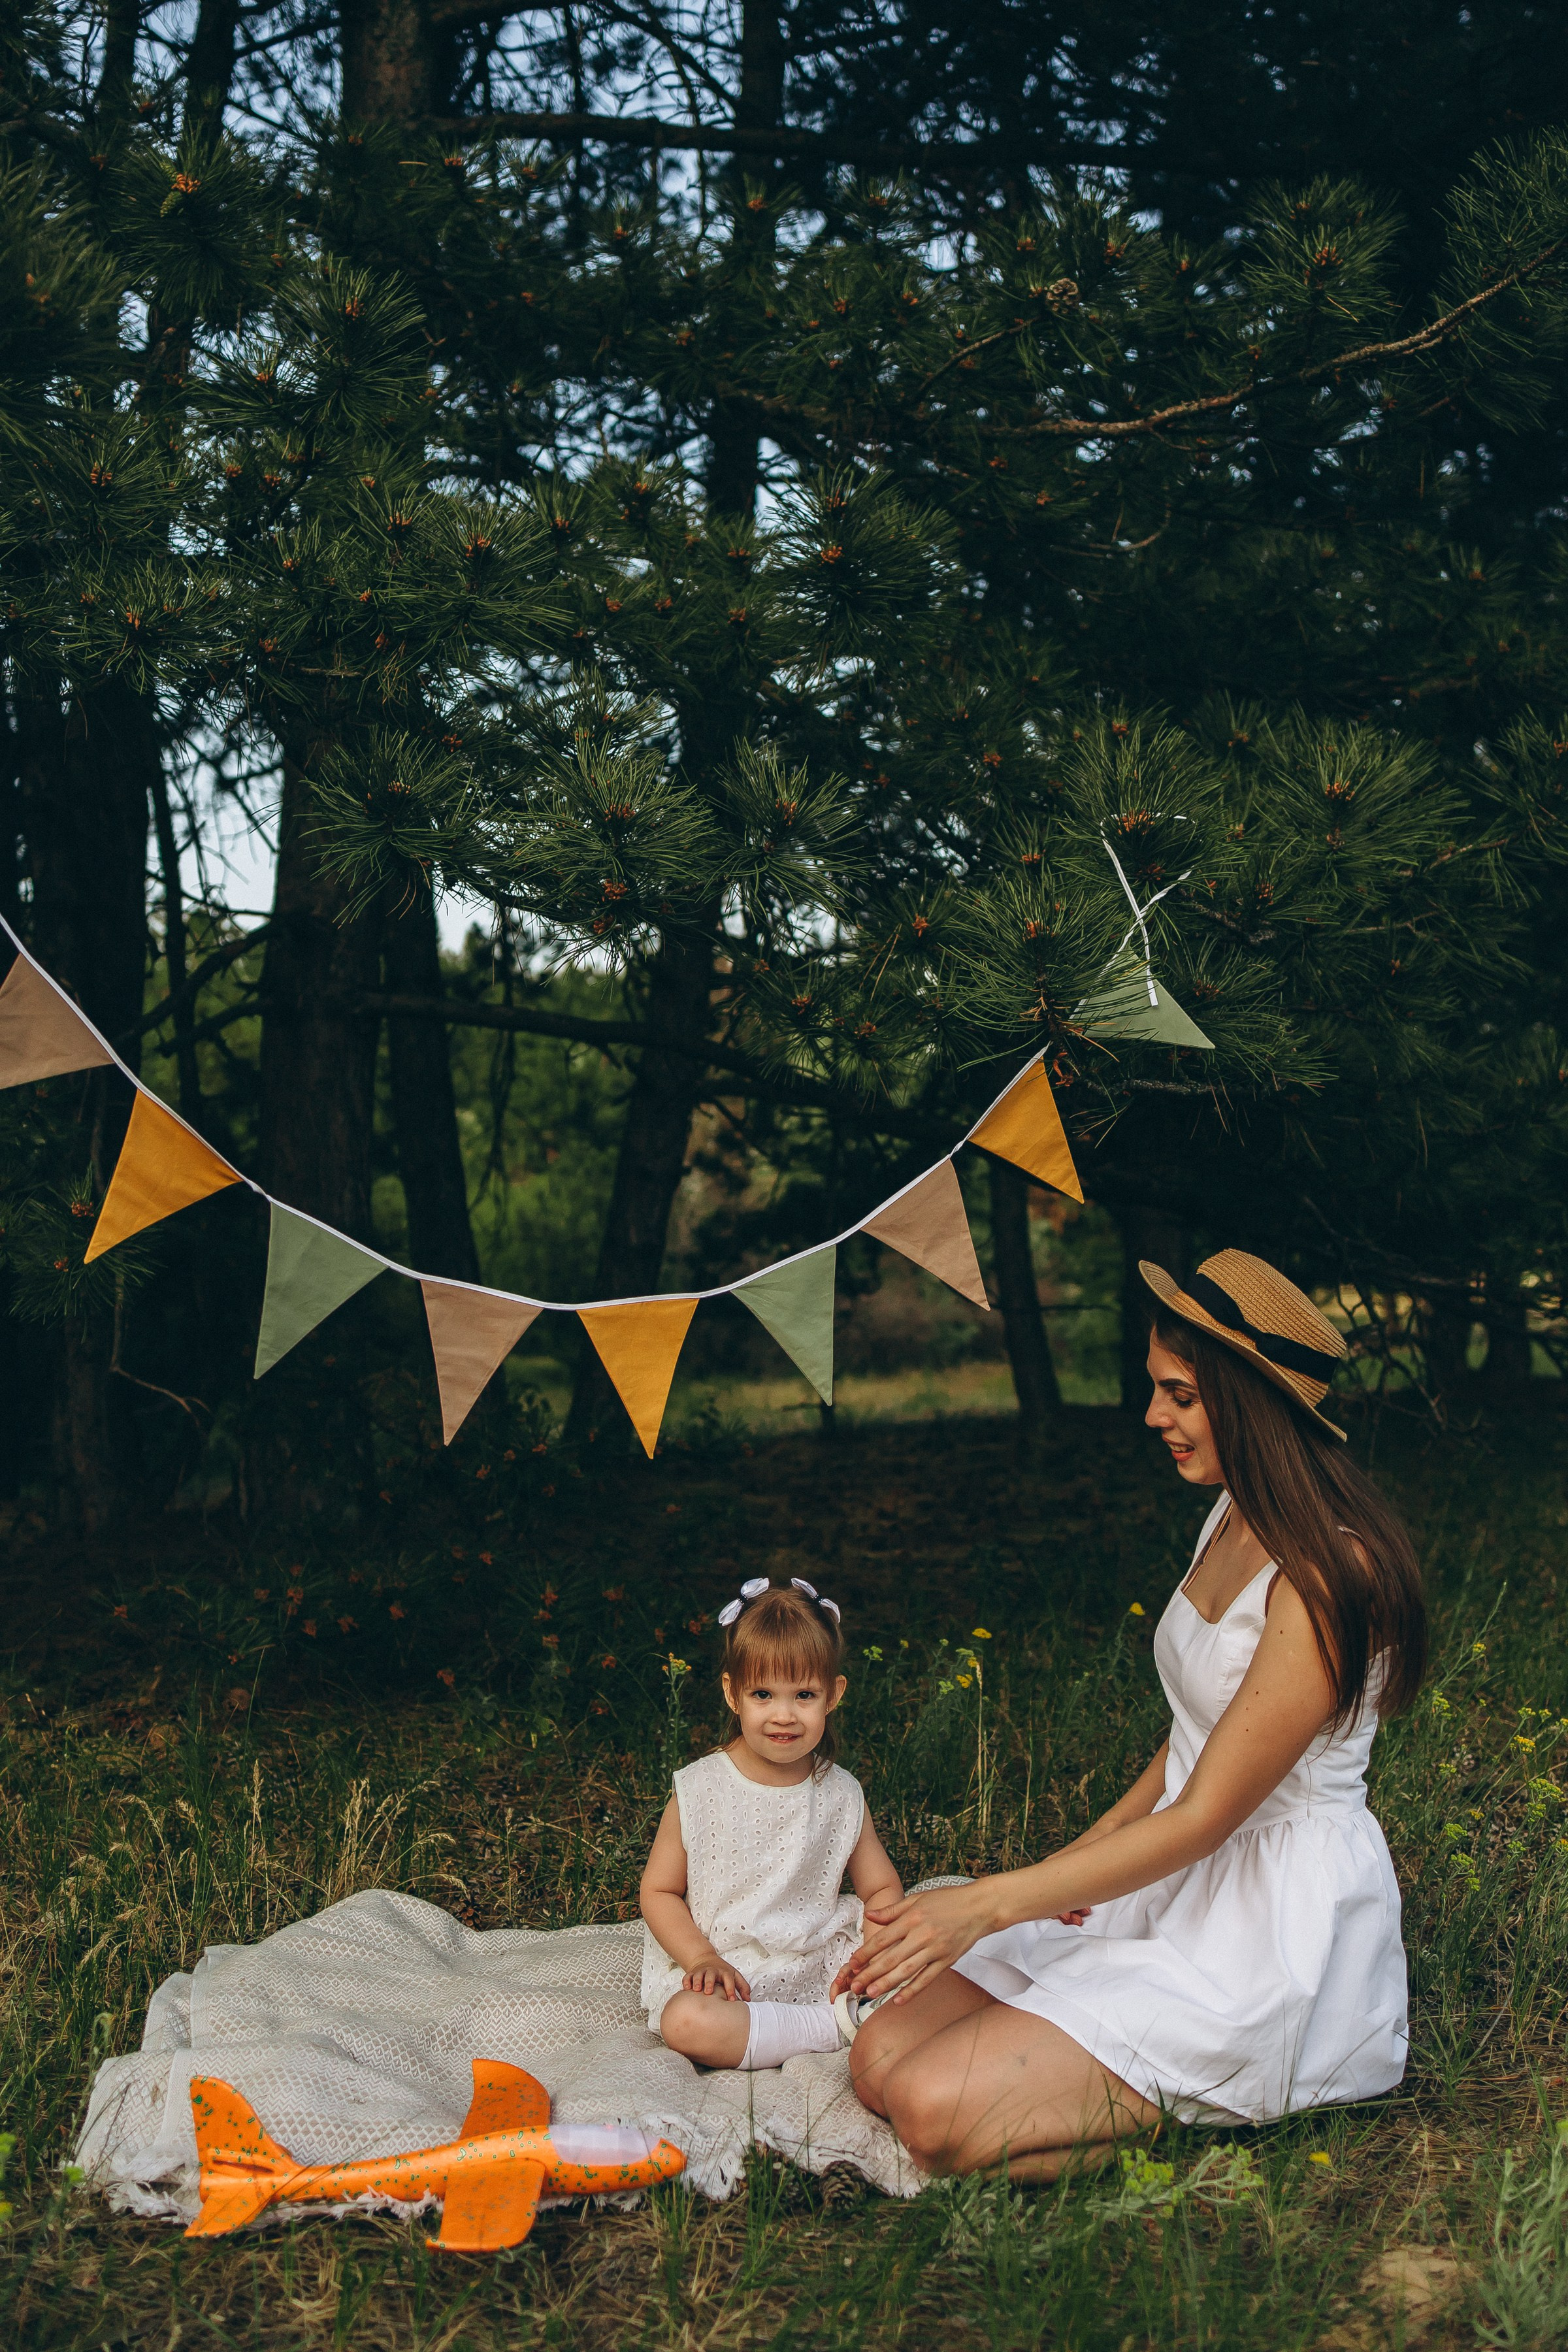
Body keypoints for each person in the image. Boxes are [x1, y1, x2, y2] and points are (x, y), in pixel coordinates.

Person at [841, 1249, 1427, 2179]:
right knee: (877, 2056)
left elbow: (1207, 1813)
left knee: (927, 2109)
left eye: (1181, 1396)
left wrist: (990, 1904)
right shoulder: (1231, 1513)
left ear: (1250, 1404)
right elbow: (1194, 1740)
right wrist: (1078, 1866)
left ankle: (1226, 2098)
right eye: (1159, 1390)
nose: (1154, 1416)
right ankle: (1079, 2074)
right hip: (1174, 1870)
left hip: (1265, 1917)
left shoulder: (1325, 1578)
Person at [640, 1577, 904, 2071]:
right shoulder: (700, 1788)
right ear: (733, 1694)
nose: (784, 1715)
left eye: (804, 1694)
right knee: (687, 2022)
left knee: (932, 1962)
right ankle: (832, 2029)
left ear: (833, 1696)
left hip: (821, 1961)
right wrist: (700, 1959)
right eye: (763, 1693)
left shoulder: (841, 1792)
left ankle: (839, 2013)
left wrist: (874, 1957)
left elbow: (882, 1887)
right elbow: (658, 1892)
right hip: (726, 1972)